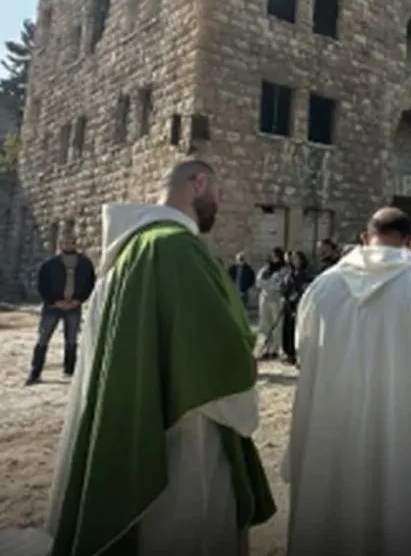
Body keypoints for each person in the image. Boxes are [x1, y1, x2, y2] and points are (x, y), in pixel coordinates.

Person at [46, 159, 275, 555]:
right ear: (198, 183)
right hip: (185, 434)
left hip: (138, 418)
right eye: (217, 195)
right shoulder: (176, 248)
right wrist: (245, 368)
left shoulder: (130, 249)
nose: (217, 207)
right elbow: (215, 357)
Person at [283, 207, 411, 556]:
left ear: (364, 238)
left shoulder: (321, 287)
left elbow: (305, 354)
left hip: (335, 428)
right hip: (406, 430)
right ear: (408, 242)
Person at [28, 235, 95, 385]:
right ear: (60, 245)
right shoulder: (50, 264)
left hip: (73, 307)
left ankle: (70, 371)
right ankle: (35, 372)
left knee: (71, 340)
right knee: (43, 338)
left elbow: (90, 283)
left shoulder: (84, 264)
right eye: (65, 243)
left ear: (75, 244)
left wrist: (79, 300)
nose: (68, 245)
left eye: (71, 242)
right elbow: (42, 285)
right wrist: (53, 302)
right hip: (53, 307)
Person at [280, 250, 314, 365]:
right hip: (289, 305)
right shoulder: (290, 273)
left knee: (298, 330)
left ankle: (298, 354)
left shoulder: (306, 273)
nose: (294, 261)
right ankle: (289, 353)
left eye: (296, 259)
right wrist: (286, 295)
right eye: (293, 259)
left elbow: (307, 286)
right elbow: (284, 285)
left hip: (300, 304)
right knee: (288, 329)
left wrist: (298, 294)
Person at [255, 247, 287, 360]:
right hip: (264, 298)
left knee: (276, 324)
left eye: (276, 256)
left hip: (276, 299)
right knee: (265, 323)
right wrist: (268, 284)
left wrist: (268, 285)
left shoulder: (284, 270)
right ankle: (265, 347)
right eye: (272, 256)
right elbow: (258, 282)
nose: (274, 258)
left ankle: (276, 348)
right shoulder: (266, 269)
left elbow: (278, 285)